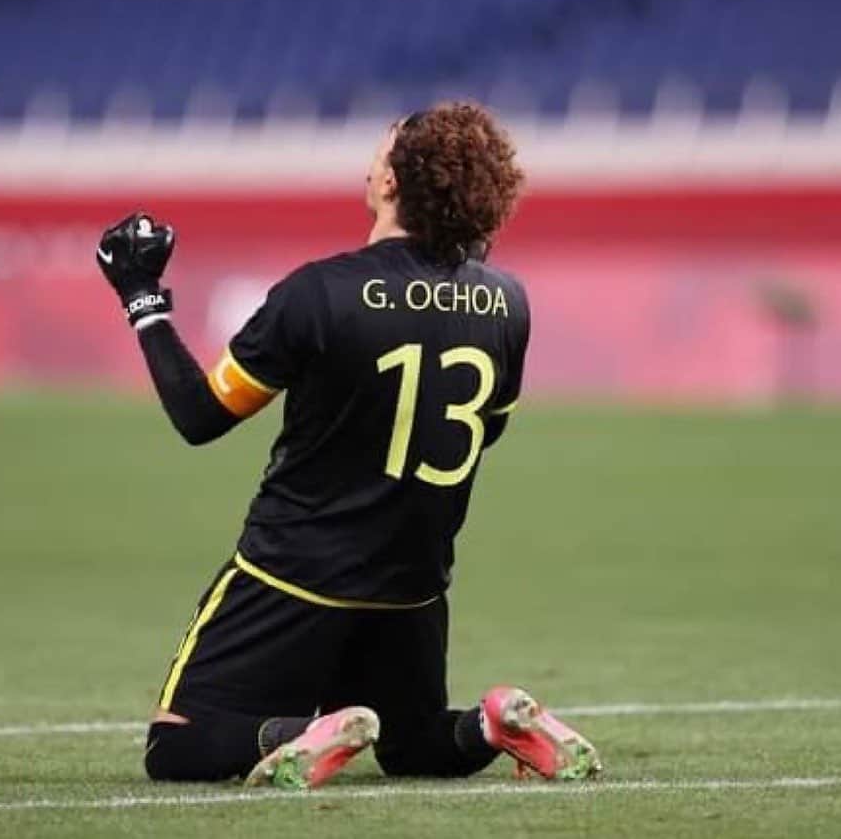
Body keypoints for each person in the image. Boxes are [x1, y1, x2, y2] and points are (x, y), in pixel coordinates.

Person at [96, 103, 602, 789]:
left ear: (392, 181)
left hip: (294, 571)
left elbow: (200, 415)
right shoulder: (507, 301)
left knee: (177, 746)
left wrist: (140, 293)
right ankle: (492, 724)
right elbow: (491, 426)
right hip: (412, 582)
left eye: (380, 151)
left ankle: (298, 734)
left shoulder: (318, 292)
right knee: (412, 745)